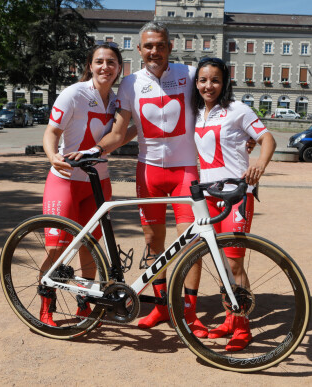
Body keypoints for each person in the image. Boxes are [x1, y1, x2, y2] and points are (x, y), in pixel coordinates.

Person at [89, 22, 209, 337]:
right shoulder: (129, 83)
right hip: (148, 171)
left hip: (185, 170)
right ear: (139, 50)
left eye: (160, 45)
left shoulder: (191, 73)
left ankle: (190, 312)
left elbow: (216, 104)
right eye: (148, 46)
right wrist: (96, 149)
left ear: (170, 47)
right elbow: (119, 131)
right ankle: (160, 306)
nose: (154, 51)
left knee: (193, 242)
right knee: (154, 243)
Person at [192, 57, 276, 351]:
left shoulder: (237, 109)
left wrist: (259, 166)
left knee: (234, 261)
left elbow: (267, 139)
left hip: (237, 196)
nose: (208, 85)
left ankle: (242, 328)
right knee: (219, 261)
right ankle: (229, 318)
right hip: (208, 197)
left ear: (224, 82)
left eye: (215, 80)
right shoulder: (196, 114)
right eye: (203, 80)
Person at [38, 43, 123, 327]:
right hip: (65, 181)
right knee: (56, 249)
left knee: (89, 247)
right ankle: (45, 304)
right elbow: (52, 131)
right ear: (90, 65)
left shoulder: (117, 101)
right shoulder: (74, 93)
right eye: (99, 62)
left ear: (119, 68)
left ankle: (84, 304)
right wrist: (53, 156)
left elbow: (123, 132)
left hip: (98, 182)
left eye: (111, 62)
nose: (105, 67)